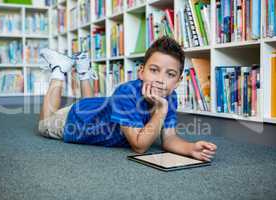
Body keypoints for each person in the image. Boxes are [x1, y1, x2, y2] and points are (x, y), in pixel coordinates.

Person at [38, 36, 217, 161]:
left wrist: (190, 148)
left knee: (94, 111)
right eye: (154, 70)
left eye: (170, 74)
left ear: (178, 81)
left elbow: (169, 138)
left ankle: (84, 70)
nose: (160, 80)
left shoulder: (170, 96)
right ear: (141, 72)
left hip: (96, 108)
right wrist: (160, 110)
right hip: (75, 120)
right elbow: (139, 146)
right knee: (43, 124)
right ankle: (59, 70)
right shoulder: (126, 93)